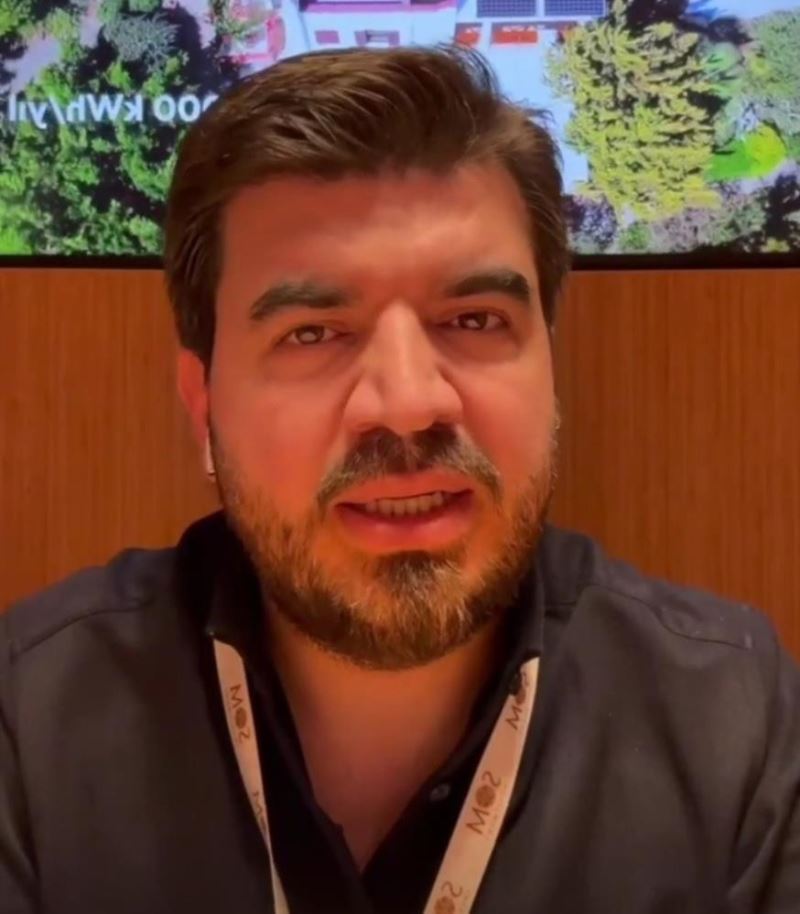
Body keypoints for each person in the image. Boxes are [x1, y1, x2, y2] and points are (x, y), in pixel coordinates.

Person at [1, 45, 798, 914]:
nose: (409, 404)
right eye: (312, 334)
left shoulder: (731, 729)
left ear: (550, 372)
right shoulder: (31, 731)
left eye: (474, 319)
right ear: (205, 407)